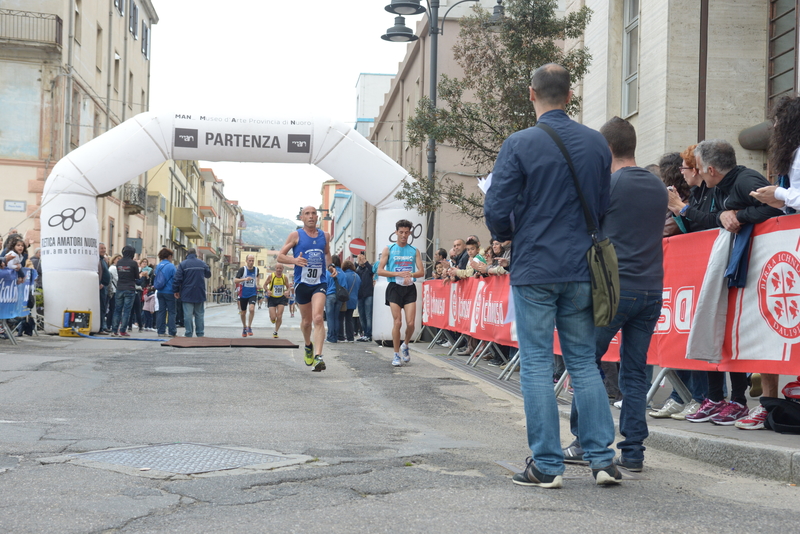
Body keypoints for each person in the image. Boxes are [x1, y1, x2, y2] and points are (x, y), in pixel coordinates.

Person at [485, 63, 618, 488]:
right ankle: (602, 458)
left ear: (532, 94)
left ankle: (546, 464)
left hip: (536, 266)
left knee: (538, 364)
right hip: (581, 266)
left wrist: (506, 236)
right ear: (570, 95)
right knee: (583, 362)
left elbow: (496, 207)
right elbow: (603, 204)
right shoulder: (598, 144)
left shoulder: (520, 143)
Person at [563, 117, 668, 473]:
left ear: (607, 149)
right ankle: (634, 451)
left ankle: (584, 441)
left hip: (613, 288)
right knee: (636, 371)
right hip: (652, 288)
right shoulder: (658, 186)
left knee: (585, 362)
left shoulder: (610, 183)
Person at [277, 206, 332, 372]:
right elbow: (280, 256)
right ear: (302, 217)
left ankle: (319, 356)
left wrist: (331, 266)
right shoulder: (296, 235)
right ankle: (308, 345)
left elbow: (327, 254)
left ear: (317, 217)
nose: (311, 216)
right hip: (302, 284)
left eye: (314, 213)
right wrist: (294, 261)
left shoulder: (325, 236)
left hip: (319, 282)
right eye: (307, 214)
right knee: (307, 322)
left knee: (317, 318)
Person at [377, 219, 424, 367]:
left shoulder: (414, 250)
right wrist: (397, 274)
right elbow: (379, 270)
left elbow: (422, 271)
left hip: (409, 288)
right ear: (396, 232)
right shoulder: (388, 249)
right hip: (394, 288)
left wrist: (410, 275)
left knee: (411, 324)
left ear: (410, 233)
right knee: (397, 322)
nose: (404, 235)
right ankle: (396, 354)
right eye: (401, 232)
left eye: (406, 232)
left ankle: (405, 344)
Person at [173, 248, 211, 338]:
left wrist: (176, 290)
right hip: (199, 292)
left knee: (188, 315)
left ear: (187, 254)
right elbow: (208, 274)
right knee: (199, 314)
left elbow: (177, 279)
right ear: (196, 254)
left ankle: (188, 333)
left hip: (187, 293)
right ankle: (200, 333)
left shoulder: (183, 264)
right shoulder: (202, 263)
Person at [110, 246, 139, 337]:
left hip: (119, 288)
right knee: (126, 310)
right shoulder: (133, 263)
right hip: (130, 288)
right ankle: (123, 331)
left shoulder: (119, 262)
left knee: (117, 310)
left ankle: (114, 330)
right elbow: (137, 277)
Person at [234, 255, 260, 337]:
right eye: (250, 260)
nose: (251, 262)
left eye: (252, 260)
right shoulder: (242, 270)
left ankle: (249, 327)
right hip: (243, 294)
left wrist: (258, 283)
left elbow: (257, 276)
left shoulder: (256, 269)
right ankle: (244, 327)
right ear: (246, 261)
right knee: (243, 313)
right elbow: (235, 280)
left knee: (251, 309)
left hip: (252, 293)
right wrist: (245, 279)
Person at [154, 248, 177, 338]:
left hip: (160, 291)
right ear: (169, 256)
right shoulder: (171, 266)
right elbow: (176, 279)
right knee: (171, 312)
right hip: (169, 291)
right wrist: (177, 290)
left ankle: (161, 331)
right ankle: (172, 331)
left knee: (161, 311)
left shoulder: (158, 265)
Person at [265, 264, 292, 338]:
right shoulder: (271, 276)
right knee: (273, 317)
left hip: (281, 298)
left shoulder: (284, 277)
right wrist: (267, 290)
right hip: (272, 298)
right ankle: (273, 319)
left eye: (280, 268)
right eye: (277, 268)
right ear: (275, 269)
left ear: (282, 269)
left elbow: (288, 287)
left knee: (279, 316)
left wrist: (287, 291)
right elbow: (265, 285)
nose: (279, 269)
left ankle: (275, 332)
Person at [339, 259, 361, 342]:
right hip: (353, 299)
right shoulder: (357, 276)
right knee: (349, 319)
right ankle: (350, 337)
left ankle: (340, 336)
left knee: (341, 318)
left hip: (344, 299)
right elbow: (358, 287)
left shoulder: (343, 275)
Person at [325, 255, 344, 344]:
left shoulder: (327, 273)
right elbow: (345, 286)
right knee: (336, 317)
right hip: (339, 297)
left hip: (330, 295)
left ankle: (330, 337)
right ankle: (336, 336)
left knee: (330, 317)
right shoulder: (343, 273)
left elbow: (325, 285)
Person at [355, 252, 374, 342]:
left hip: (368, 294)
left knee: (368, 315)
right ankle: (364, 333)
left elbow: (372, 270)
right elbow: (352, 271)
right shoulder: (357, 270)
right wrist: (356, 262)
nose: (361, 260)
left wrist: (365, 262)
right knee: (361, 316)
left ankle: (369, 334)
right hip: (360, 295)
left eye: (362, 258)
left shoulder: (368, 269)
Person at [97, 243, 111, 334]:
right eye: (101, 248)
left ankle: (103, 326)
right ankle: (101, 327)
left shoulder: (102, 260)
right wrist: (99, 283)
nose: (104, 250)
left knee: (104, 308)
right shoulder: (97, 260)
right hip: (101, 287)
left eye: (105, 248)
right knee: (101, 308)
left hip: (104, 287)